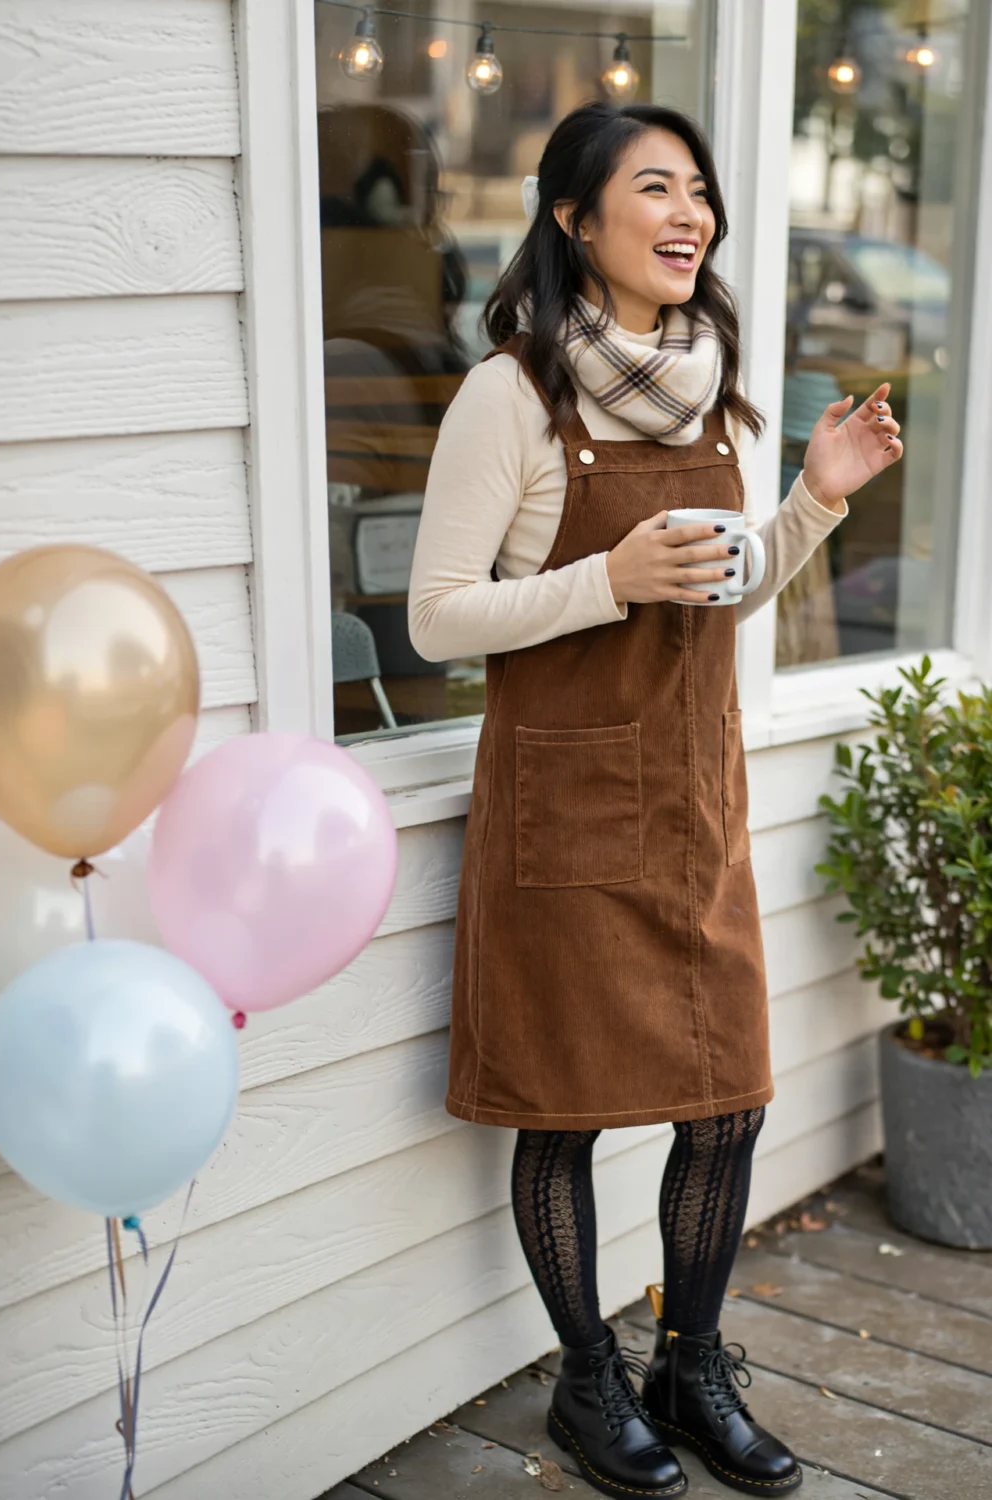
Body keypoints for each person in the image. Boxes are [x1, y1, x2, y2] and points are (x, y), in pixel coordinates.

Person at [407, 101, 902, 1500]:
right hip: (561, 814)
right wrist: (602, 581)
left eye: (698, 192)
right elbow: (438, 618)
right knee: (561, 1114)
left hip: (692, 802)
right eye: (653, 189)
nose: (689, 215)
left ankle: (690, 1360)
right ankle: (586, 1379)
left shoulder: (717, 387)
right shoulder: (509, 395)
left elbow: (725, 596)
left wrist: (811, 498)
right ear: (574, 220)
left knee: (727, 1104)